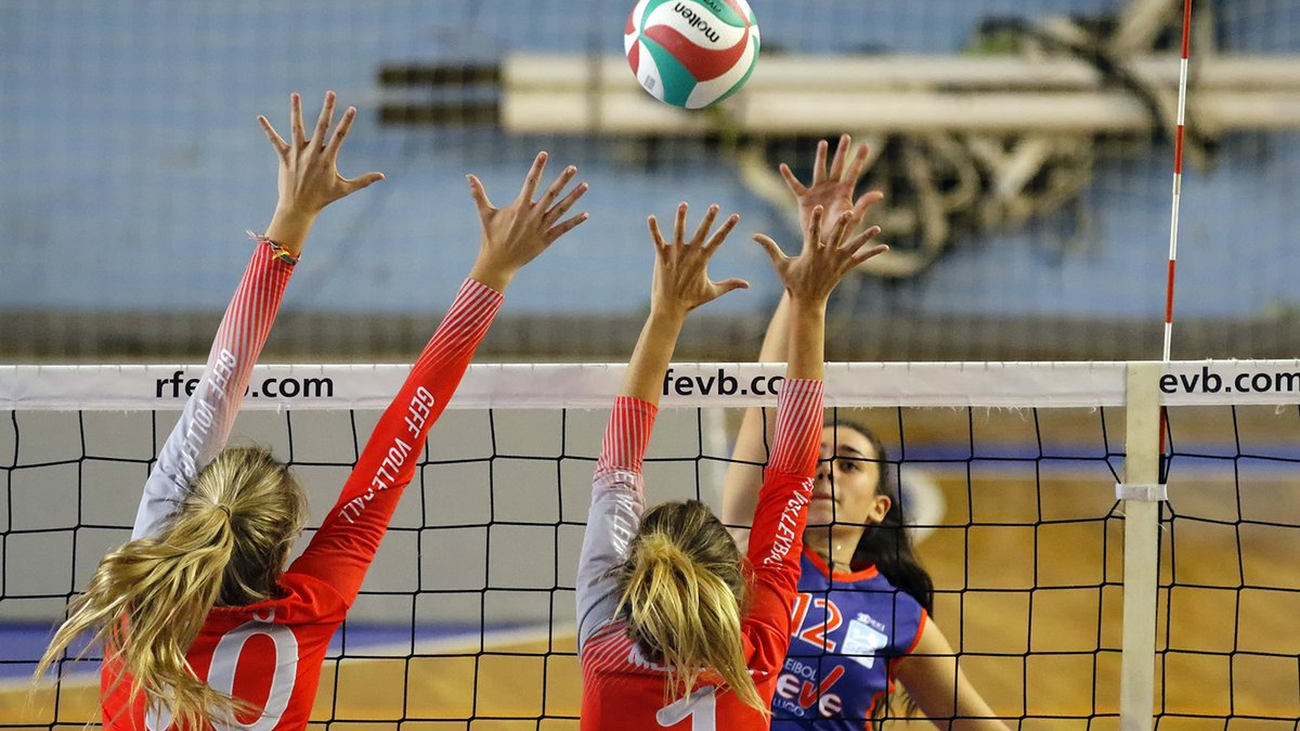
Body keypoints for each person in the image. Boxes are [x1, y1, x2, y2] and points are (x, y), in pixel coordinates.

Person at [35, 91, 589, 731]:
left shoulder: (145, 585)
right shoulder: (306, 606)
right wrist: (494, 267)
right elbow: (401, 434)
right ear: (285, 544)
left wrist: (290, 215)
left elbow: (220, 384)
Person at [722, 135, 1010, 730]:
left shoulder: (900, 617)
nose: (825, 468)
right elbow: (772, 395)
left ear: (880, 506)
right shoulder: (760, 552)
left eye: (849, 462)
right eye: (815, 458)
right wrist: (808, 272)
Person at [577, 201, 887, 730]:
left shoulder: (607, 647)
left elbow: (786, 478)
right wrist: (810, 306)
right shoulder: (758, 652)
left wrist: (666, 311)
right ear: (734, 585)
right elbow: (790, 478)